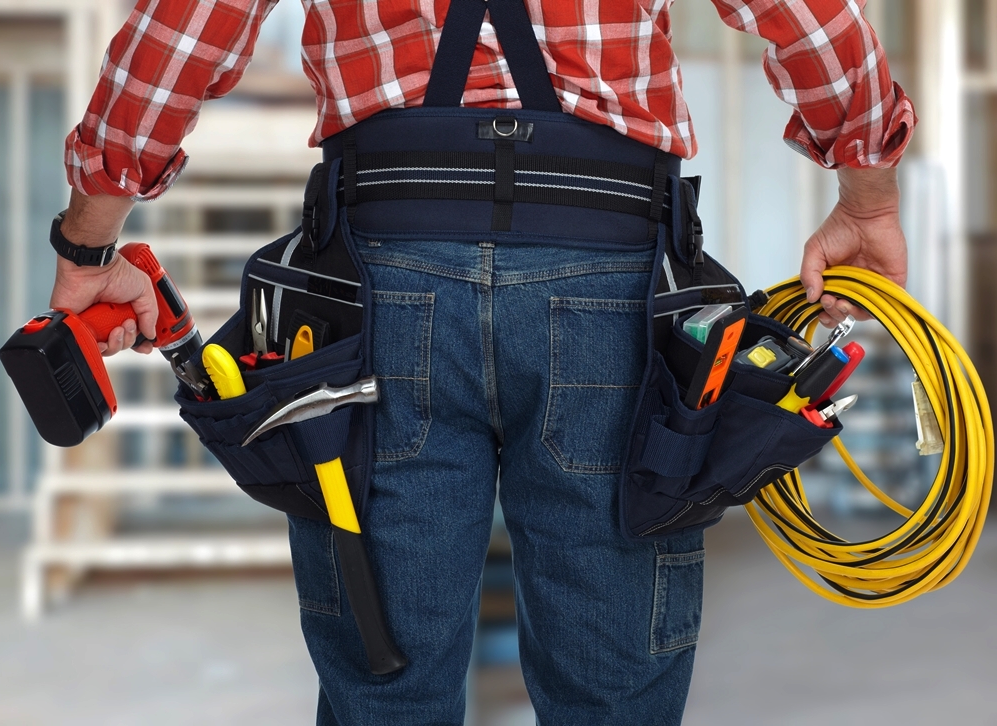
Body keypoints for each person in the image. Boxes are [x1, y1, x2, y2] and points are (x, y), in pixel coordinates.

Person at [50, 1, 915, 723]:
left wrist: (89, 245)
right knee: (615, 688)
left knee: (385, 681)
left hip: (383, 279)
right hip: (606, 276)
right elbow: (806, 12)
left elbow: (188, 24)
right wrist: (867, 189)